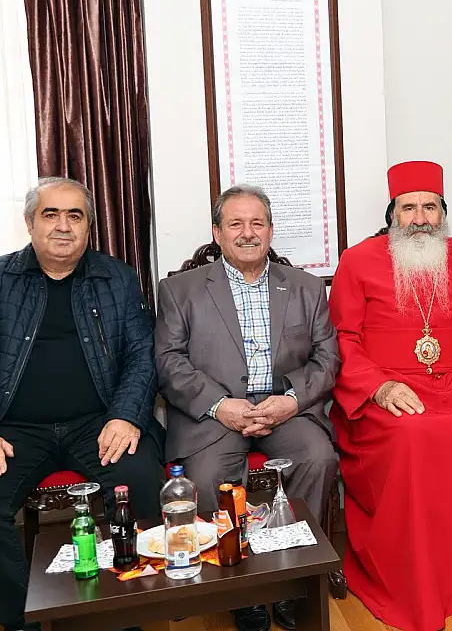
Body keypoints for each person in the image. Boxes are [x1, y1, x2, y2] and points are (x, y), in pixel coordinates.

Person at [0, 178, 164, 631]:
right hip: (14, 430)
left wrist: (126, 416)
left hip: (99, 423)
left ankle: (127, 613)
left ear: (88, 227)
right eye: (51, 214)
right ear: (30, 223)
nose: (63, 225)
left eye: (75, 215)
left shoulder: (117, 278)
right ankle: (23, 618)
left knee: (142, 482)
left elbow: (142, 356)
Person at [329, 161, 452, 631]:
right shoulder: (357, 261)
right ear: (392, 214)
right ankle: (418, 580)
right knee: (413, 435)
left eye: (430, 207)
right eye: (409, 208)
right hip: (391, 388)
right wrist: (378, 387)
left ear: (443, 213)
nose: (420, 218)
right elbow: (342, 339)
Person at [155, 184, 340, 631]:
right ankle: (242, 590)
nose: (248, 233)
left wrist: (291, 401)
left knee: (318, 458)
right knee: (205, 477)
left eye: (257, 223)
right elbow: (168, 361)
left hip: (285, 408)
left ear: (271, 231)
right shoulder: (179, 289)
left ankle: (291, 579)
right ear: (217, 232)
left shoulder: (305, 287)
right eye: (235, 223)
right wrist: (219, 405)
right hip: (215, 413)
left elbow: (327, 358)